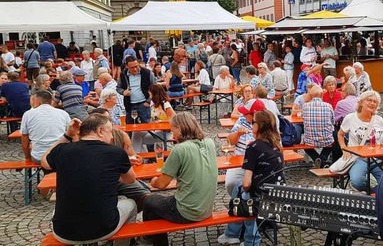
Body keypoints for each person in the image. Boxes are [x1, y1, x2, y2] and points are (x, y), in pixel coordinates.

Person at [40, 114, 136, 246]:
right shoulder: (116, 152)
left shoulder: (62, 150)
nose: (112, 136)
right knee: (131, 203)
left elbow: (44, 161)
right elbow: (130, 179)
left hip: (63, 231)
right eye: (110, 131)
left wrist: (67, 136)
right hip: (104, 228)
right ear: (100, 131)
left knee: (59, 209)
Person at [144, 113, 217, 246]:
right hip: (207, 209)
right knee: (157, 208)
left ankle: (147, 240)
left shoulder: (180, 149)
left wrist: (153, 181)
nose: (171, 132)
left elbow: (161, 184)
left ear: (180, 128)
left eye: (172, 129)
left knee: (148, 200)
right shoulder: (209, 143)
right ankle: (151, 239)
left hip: (187, 212)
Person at [219, 99, 265, 245]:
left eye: (247, 113)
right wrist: (238, 134)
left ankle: (245, 236)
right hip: (240, 163)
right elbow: (229, 140)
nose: (244, 115)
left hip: (257, 167)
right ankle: (240, 225)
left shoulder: (267, 127)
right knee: (234, 185)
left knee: (244, 192)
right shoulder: (242, 121)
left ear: (255, 114)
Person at [240, 110, 285, 246]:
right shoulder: (277, 144)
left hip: (262, 200)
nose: (250, 124)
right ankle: (233, 234)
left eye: (252, 122)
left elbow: (247, 183)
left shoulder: (253, 147)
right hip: (280, 196)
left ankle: (250, 240)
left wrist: (243, 189)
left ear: (258, 126)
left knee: (240, 195)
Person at [337, 91, 383, 192]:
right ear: (361, 102)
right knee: (357, 182)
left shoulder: (379, 120)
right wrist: (344, 148)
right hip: (357, 158)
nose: (372, 103)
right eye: (369, 100)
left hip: (376, 158)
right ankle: (372, 192)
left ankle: (378, 193)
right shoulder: (350, 118)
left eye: (375, 102)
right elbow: (340, 134)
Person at [21, 91, 71, 164]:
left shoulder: (28, 114)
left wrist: (27, 157)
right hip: (60, 155)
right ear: (51, 101)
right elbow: (71, 133)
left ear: (38, 101)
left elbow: (24, 138)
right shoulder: (63, 113)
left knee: (33, 144)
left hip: (39, 156)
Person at [302, 85, 335, 167]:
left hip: (310, 140)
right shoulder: (328, 106)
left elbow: (303, 120)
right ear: (321, 94)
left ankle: (317, 158)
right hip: (326, 139)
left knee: (304, 145)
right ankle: (322, 159)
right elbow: (333, 121)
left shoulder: (305, 106)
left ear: (310, 95)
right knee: (332, 142)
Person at [118, 57, 155, 124]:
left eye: (136, 66)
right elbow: (118, 88)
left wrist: (148, 101)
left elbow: (155, 88)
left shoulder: (147, 73)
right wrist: (123, 92)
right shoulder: (123, 74)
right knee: (129, 126)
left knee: (147, 126)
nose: (135, 69)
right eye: (132, 67)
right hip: (130, 105)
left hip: (144, 104)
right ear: (127, 66)